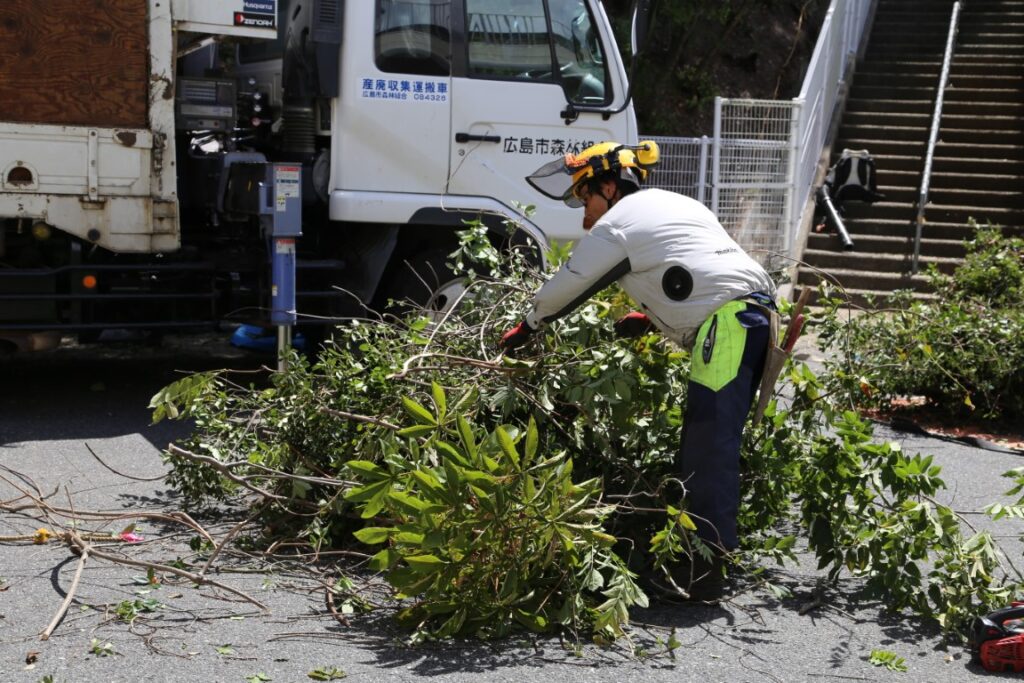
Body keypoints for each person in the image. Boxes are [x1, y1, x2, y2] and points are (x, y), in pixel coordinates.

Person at [501, 141, 777, 600]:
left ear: (608, 188)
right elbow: (693, 262)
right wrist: (651, 318)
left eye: (585, 198)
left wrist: (528, 325)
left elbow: (573, 281)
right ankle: (707, 556)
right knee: (716, 442)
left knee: (708, 447)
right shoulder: (674, 204)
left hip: (727, 325)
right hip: (757, 317)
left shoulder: (618, 223)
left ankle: (704, 572)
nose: (585, 214)